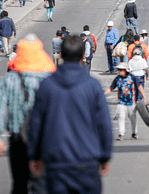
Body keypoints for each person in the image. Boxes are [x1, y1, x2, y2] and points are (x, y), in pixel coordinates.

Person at [26, 34, 112, 193]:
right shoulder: (92, 86)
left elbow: (36, 124)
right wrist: (105, 156)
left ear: (62, 55)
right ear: (82, 56)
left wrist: (34, 155)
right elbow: (104, 124)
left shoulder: (47, 86)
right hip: (87, 164)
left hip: (56, 164)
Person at [0, 35, 56, 193]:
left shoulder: (9, 79)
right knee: (41, 183)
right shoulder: (49, 80)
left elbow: (0, 107)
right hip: (43, 138)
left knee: (19, 183)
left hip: (17, 138)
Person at [104, 62, 146, 141]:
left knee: (133, 118)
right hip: (121, 102)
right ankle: (121, 134)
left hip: (131, 102)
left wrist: (144, 98)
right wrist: (102, 95)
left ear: (125, 70)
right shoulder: (117, 79)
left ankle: (134, 133)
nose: (120, 71)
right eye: (119, 70)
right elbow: (110, 89)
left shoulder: (132, 77)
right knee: (121, 117)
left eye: (121, 70)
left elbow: (140, 87)